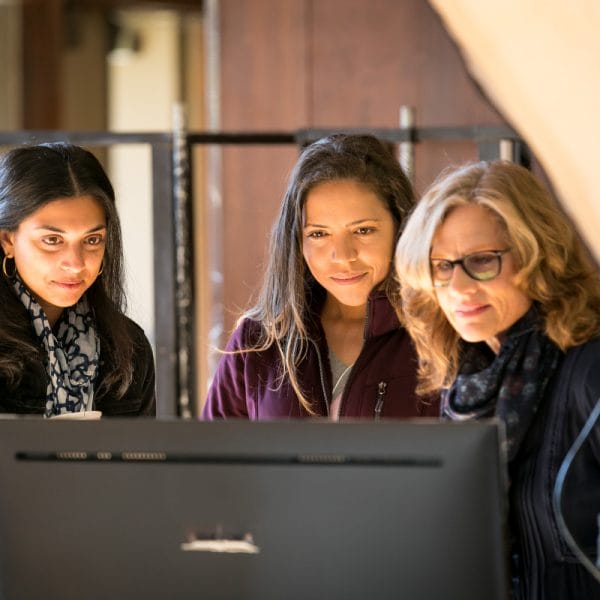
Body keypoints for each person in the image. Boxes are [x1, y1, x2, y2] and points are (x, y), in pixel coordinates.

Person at [394, 160, 600, 599]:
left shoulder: (590, 373)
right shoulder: (466, 382)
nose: (460, 288)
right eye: (442, 266)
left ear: (536, 254)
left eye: (482, 261)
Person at [203, 134, 438, 420]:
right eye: (318, 234)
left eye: (363, 230)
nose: (343, 255)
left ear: (401, 227)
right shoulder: (258, 341)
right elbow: (218, 462)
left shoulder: (439, 334)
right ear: (296, 242)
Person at [0, 142, 156, 417]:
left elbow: (140, 459)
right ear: (7, 240)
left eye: (92, 240)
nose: (75, 263)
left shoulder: (130, 350)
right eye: (52, 240)